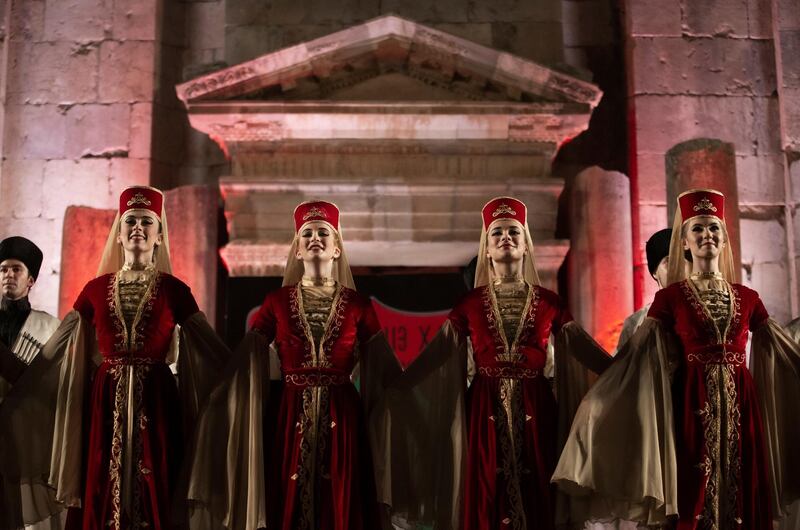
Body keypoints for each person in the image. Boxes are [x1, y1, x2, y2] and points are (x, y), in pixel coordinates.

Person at [553, 189, 800, 529]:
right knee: (693, 493)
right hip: (690, 405)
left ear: (725, 240)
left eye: (714, 228)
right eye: (697, 228)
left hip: (743, 406)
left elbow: (783, 347)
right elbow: (636, 356)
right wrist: (601, 402)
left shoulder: (749, 298)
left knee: (743, 489)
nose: (706, 235)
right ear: (684, 243)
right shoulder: (670, 299)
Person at [0, 186, 230, 530]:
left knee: (158, 483)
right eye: (130, 222)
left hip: (157, 401)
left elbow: (209, 346)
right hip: (104, 402)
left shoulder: (174, 290)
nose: (137, 228)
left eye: (146, 222)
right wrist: (20, 380)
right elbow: (57, 349)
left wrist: (248, 373)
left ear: (159, 235)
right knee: (101, 480)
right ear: (119, 235)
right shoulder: (94, 290)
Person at [385, 196, 613, 530]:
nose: (505, 237)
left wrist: (623, 370)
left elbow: (581, 347)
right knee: (486, 485)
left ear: (526, 246)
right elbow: (438, 352)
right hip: (483, 406)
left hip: (537, 403)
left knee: (539, 480)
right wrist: (400, 383)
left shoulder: (550, 303)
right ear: (487, 250)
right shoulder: (469, 304)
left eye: (514, 233)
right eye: (497, 234)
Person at [186, 200, 401, 530]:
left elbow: (382, 366)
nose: (315, 238)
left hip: (342, 416)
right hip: (289, 416)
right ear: (297, 251)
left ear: (337, 249)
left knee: (339, 496)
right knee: (287, 495)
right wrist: (220, 393)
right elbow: (248, 356)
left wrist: (409, 398)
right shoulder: (277, 301)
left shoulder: (358, 305)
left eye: (323, 233)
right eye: (307, 234)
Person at [0, 237, 60, 401]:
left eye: (16, 269)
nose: (9, 274)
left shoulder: (51, 327)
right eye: (3, 270)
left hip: (28, 416)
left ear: (30, 280)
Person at [614, 228, 671, 352]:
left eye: (682, 262)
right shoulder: (634, 323)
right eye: (669, 262)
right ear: (655, 272)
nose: (677, 268)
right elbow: (622, 368)